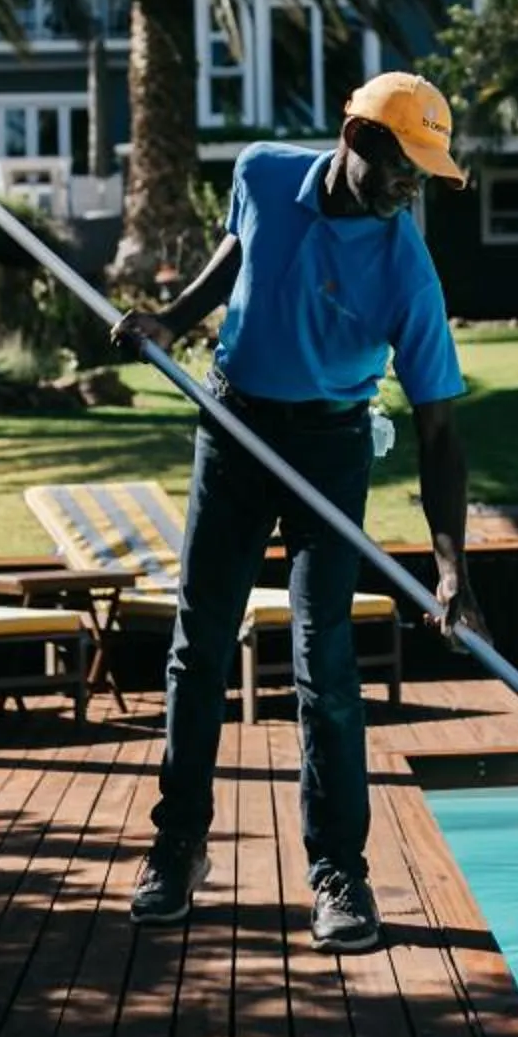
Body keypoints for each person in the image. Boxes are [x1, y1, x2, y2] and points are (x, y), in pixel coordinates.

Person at [114, 72, 488, 953]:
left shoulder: (407, 269)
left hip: (330, 445)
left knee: (325, 663)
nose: (412, 189)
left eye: (426, 176)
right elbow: (240, 247)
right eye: (405, 168)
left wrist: (450, 570)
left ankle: (338, 873)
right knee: (198, 643)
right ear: (357, 142)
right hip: (235, 426)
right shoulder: (260, 171)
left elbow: (440, 433)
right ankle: (178, 846)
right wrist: (172, 318)